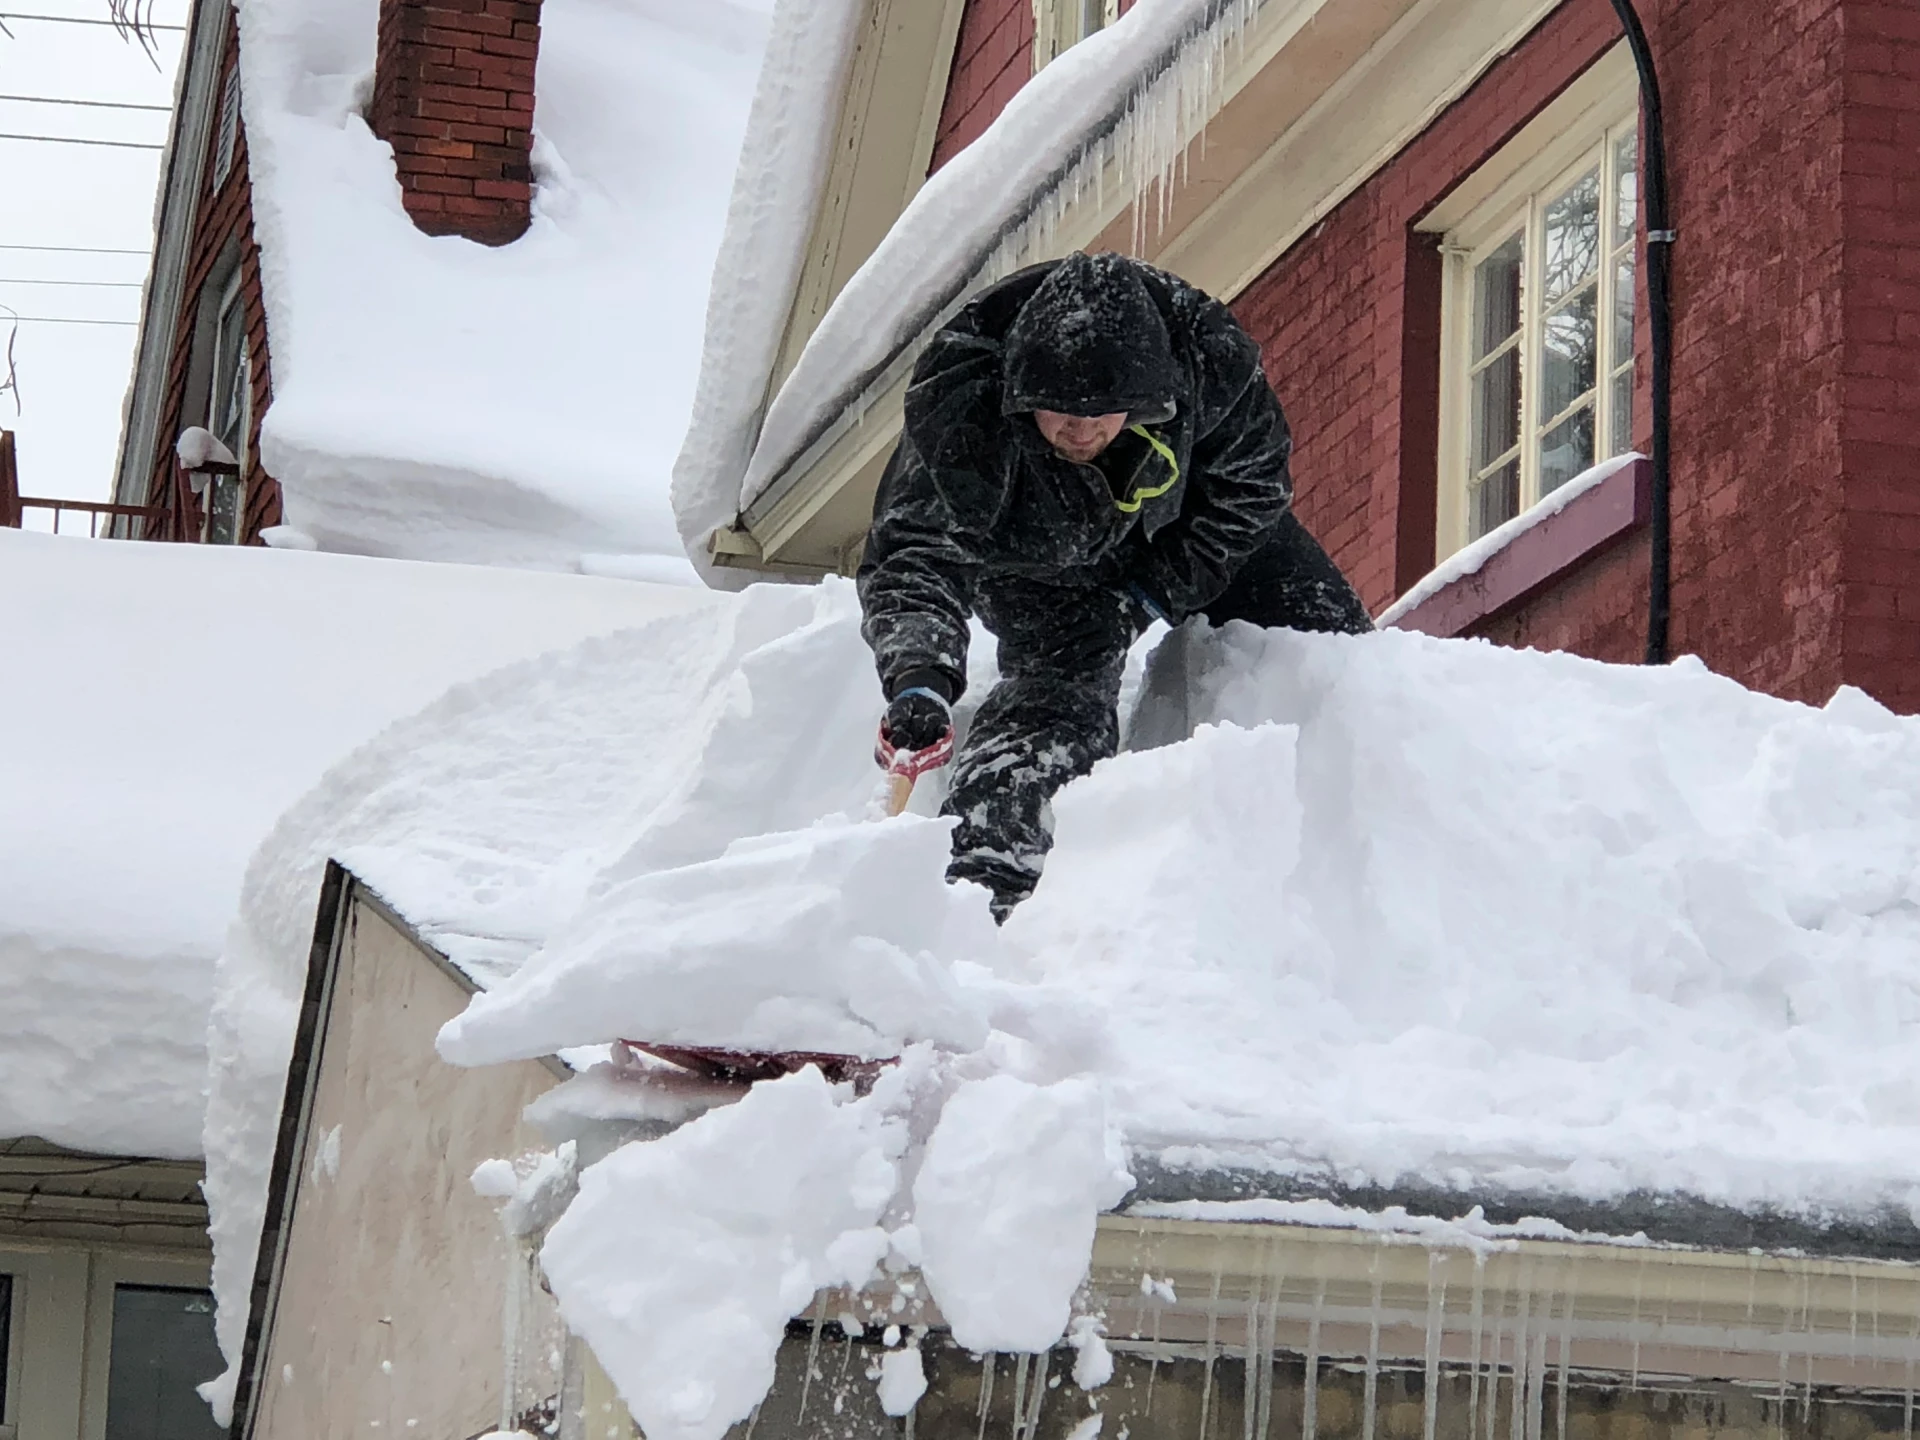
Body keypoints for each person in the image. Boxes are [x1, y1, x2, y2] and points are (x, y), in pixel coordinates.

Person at [857, 250, 1371, 920]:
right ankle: (986, 888)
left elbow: (1251, 493)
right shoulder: (960, 416)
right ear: (1019, 394)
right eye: (1061, 412)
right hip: (1039, 573)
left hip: (1187, 528)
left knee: (1339, 662)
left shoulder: (1211, 367)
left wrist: (1148, 597)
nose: (1082, 430)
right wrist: (920, 675)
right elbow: (913, 556)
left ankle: (1364, 806)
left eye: (1105, 413)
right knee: (1048, 711)